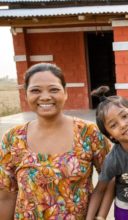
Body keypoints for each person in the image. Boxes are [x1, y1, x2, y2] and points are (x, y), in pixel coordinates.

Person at [0, 63, 111, 219]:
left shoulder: (89, 133)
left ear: (65, 93)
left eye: (53, 89)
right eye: (35, 90)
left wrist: (99, 217)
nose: (45, 96)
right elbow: (6, 196)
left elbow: (109, 180)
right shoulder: (13, 138)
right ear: (26, 95)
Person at [86, 86, 128, 220]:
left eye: (125, 116)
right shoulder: (113, 159)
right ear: (111, 136)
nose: (122, 124)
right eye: (113, 125)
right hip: (127, 210)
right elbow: (100, 190)